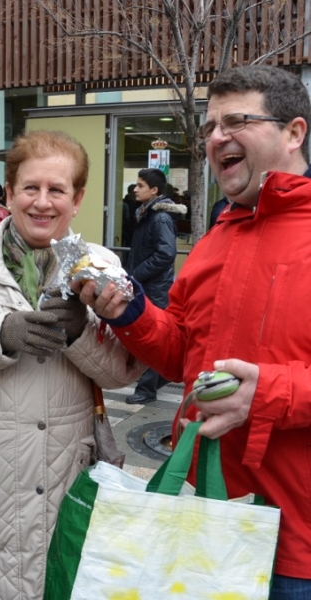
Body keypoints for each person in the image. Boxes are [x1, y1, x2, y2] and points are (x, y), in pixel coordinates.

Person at [72, 65, 311, 598]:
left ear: (294, 133)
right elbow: (183, 356)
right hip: (203, 520)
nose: (217, 138)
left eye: (236, 121)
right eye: (208, 127)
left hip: (297, 551)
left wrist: (268, 394)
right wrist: (127, 313)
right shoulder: (211, 242)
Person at [0, 130, 145, 600]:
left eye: (57, 190)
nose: (42, 202)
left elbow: (124, 372)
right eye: (30, 188)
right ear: (11, 191)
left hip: (65, 474)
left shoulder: (102, 266)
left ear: (77, 199)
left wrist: (81, 335)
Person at [124, 168, 187, 404]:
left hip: (155, 289)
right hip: (149, 286)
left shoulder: (158, 217)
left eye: (140, 185)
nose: (135, 189)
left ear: (154, 190)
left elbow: (166, 253)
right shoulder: (147, 213)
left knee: (154, 339)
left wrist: (136, 274)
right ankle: (153, 382)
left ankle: (147, 389)